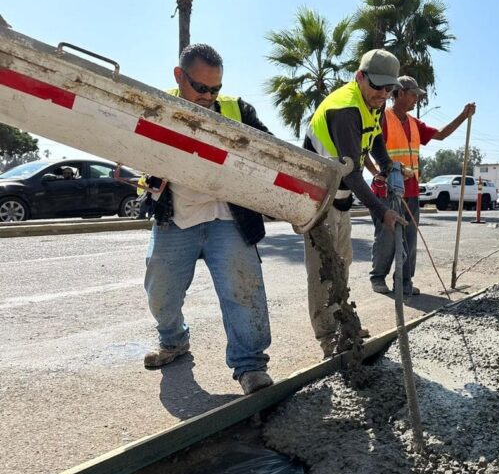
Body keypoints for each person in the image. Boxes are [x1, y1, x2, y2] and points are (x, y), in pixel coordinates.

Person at [141, 44, 273, 395]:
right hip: (177, 218)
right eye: (200, 88)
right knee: (161, 293)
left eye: (214, 89)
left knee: (243, 292)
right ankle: (173, 341)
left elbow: (272, 150)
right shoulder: (156, 106)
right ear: (179, 76)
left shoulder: (237, 109)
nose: (208, 96)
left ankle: (250, 366)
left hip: (227, 218)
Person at [302, 49, 405, 357]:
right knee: (323, 270)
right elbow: (355, 176)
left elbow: (374, 139)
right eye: (378, 87)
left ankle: (344, 324)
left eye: (389, 89)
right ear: (360, 77)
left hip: (339, 197)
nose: (383, 95)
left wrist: (390, 167)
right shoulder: (346, 109)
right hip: (316, 199)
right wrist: (382, 210)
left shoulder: (371, 101)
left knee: (342, 265)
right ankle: (328, 337)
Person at [367, 76, 476, 295]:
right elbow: (366, 149)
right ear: (399, 93)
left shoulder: (414, 124)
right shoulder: (383, 119)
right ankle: (378, 278)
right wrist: (377, 174)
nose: (417, 99)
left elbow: (441, 135)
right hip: (387, 190)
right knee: (387, 236)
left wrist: (463, 116)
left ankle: (404, 281)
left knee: (409, 238)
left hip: (412, 190)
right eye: (413, 94)